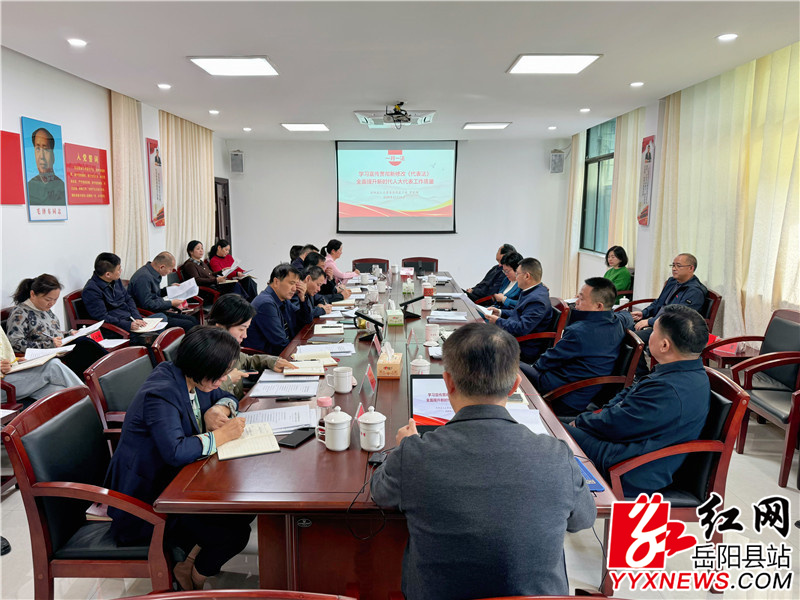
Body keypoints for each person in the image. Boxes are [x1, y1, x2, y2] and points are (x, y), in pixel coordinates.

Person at [370, 323, 596, 600]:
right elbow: (583, 519)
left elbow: (380, 493)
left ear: (448, 382)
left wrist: (403, 447)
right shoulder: (557, 455)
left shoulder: (415, 454)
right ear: (515, 385)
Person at [107, 326, 252, 590]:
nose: (223, 379)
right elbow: (175, 452)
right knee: (234, 533)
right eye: (220, 374)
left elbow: (227, 396)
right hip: (148, 501)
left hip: (179, 482)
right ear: (202, 366)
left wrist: (218, 408)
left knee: (244, 511)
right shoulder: (161, 393)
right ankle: (195, 579)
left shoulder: (192, 377)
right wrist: (219, 437)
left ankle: (189, 563)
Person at [568, 305, 710, 496]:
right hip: (626, 446)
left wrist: (582, 421)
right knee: (550, 428)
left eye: (653, 331)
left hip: (627, 465)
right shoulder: (683, 371)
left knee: (549, 434)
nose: (649, 335)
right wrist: (595, 417)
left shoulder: (669, 389)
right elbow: (625, 398)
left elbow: (617, 425)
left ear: (664, 345)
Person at [521, 278, 635, 417]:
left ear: (598, 306)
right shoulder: (617, 322)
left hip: (562, 394)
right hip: (582, 392)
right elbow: (627, 316)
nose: (576, 302)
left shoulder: (579, 332)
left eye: (581, 299)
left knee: (510, 363)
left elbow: (544, 363)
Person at [6, 274, 107, 378]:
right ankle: (105, 374)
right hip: (43, 356)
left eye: (55, 299)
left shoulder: (44, 308)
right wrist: (49, 344)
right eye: (48, 299)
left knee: (85, 342)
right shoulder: (20, 313)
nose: (52, 303)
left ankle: (109, 370)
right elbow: (15, 343)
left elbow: (50, 333)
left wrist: (68, 334)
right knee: (84, 347)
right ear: (33, 294)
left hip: (57, 350)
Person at [631, 252, 707, 376]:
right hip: (658, 323)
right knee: (623, 329)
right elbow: (658, 302)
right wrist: (644, 314)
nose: (674, 268)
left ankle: (641, 375)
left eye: (678, 266)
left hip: (671, 330)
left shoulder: (694, 291)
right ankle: (623, 374)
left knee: (633, 339)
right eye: (673, 265)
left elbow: (678, 317)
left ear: (691, 268)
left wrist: (650, 322)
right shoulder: (672, 282)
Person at [207, 295, 295, 399]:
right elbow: (201, 395)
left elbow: (247, 360)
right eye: (241, 329)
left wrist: (272, 361)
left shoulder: (228, 348)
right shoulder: (204, 353)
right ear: (220, 327)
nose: (245, 335)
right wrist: (229, 380)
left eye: (246, 329)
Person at [82, 253, 168, 346]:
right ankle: (152, 351)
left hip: (130, 320)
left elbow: (128, 299)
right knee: (151, 337)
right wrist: (128, 325)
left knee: (162, 317)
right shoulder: (91, 290)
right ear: (108, 274)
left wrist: (137, 317)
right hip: (116, 328)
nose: (121, 271)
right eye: (118, 269)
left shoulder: (115, 280)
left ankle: (154, 348)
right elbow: (102, 317)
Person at [485, 257, 553, 363]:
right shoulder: (531, 291)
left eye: (517, 274)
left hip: (523, 346)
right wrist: (500, 312)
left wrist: (497, 321)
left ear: (527, 276)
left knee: (479, 344)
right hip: (514, 337)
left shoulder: (537, 300)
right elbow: (519, 312)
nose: (516, 278)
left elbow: (521, 328)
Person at [1, 328, 84, 406]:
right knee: (52, 365)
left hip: (11, 374)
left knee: (62, 392)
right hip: (3, 384)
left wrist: (15, 359)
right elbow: (16, 342)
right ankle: (88, 396)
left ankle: (87, 404)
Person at [246, 264, 311, 355]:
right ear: (276, 282)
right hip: (267, 358)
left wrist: (302, 299)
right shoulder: (266, 304)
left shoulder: (282, 299)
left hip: (282, 352)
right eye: (291, 283)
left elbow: (306, 320)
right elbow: (280, 343)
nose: (294, 289)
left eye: (296, 284)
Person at [128, 252, 199, 331]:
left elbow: (155, 294)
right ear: (162, 267)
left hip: (158, 311)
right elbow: (147, 304)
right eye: (170, 269)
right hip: (149, 315)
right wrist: (171, 303)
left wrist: (169, 289)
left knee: (193, 319)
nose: (170, 272)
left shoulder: (152, 273)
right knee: (189, 324)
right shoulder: (143, 277)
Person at [181, 240, 251, 301]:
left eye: (202, 248)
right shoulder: (190, 265)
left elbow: (211, 274)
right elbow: (197, 280)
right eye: (198, 249)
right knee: (234, 285)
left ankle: (243, 303)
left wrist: (221, 271)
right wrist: (216, 280)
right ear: (191, 252)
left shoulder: (201, 262)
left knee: (238, 283)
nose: (201, 250)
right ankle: (241, 304)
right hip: (208, 289)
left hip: (214, 284)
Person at [26, 127, 66, 206]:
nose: (41, 156)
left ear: (53, 156)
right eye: (38, 149)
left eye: (46, 149)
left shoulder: (62, 188)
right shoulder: (29, 187)